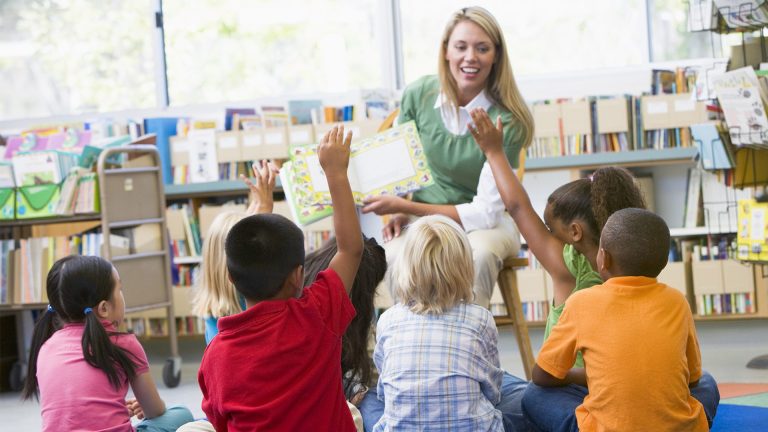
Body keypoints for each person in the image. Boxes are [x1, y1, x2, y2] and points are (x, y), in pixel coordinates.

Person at [361, 5, 533, 309]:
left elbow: (485, 212)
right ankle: (413, 344)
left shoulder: (507, 119)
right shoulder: (418, 95)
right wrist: (401, 208)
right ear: (446, 51)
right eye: (461, 47)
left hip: (488, 225)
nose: (471, 57)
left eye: (482, 48)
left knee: (478, 254)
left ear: (496, 57)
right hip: (424, 221)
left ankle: (465, 344)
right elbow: (403, 168)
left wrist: (407, 206)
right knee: (394, 255)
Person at [196, 125, 364, 431]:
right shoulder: (316, 314)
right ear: (298, 277)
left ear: (230, 277)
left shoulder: (215, 356)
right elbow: (351, 249)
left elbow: (221, 423)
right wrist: (336, 173)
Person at [470, 107, 647, 368]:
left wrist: (494, 151)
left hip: (571, 389)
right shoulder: (640, 263)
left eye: (551, 231)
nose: (548, 238)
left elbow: (518, 207)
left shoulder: (568, 265)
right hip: (622, 384)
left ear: (575, 233)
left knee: (515, 389)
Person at [521, 208, 720, 431]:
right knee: (708, 382)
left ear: (603, 258)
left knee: (533, 395)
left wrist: (584, 377)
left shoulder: (581, 302)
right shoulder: (677, 301)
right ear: (664, 262)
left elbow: (541, 376)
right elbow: (693, 380)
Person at [364, 214, 508, 431]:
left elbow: (386, 391)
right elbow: (493, 390)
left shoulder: (388, 319)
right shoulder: (481, 319)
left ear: (405, 267)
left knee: (367, 400)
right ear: (466, 268)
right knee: (517, 391)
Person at [21, 255, 193, 432]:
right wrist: (144, 408)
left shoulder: (46, 348)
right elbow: (155, 410)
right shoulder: (124, 344)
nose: (122, 294)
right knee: (181, 413)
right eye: (120, 289)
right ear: (104, 308)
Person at [192, 160, 278, 344]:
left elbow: (240, 235)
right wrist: (264, 208)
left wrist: (261, 201)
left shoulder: (215, 313)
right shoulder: (246, 305)